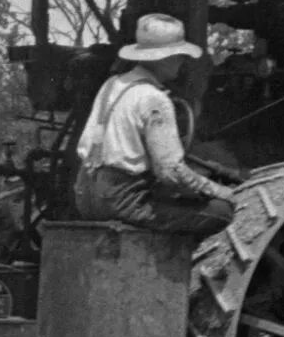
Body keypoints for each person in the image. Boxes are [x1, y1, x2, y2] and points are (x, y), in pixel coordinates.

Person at [73, 13, 237, 236]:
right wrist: (221, 191)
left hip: (85, 193)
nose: (182, 62)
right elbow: (171, 172)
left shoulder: (112, 84)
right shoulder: (154, 99)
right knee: (222, 213)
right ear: (163, 58)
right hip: (122, 199)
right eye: (179, 56)